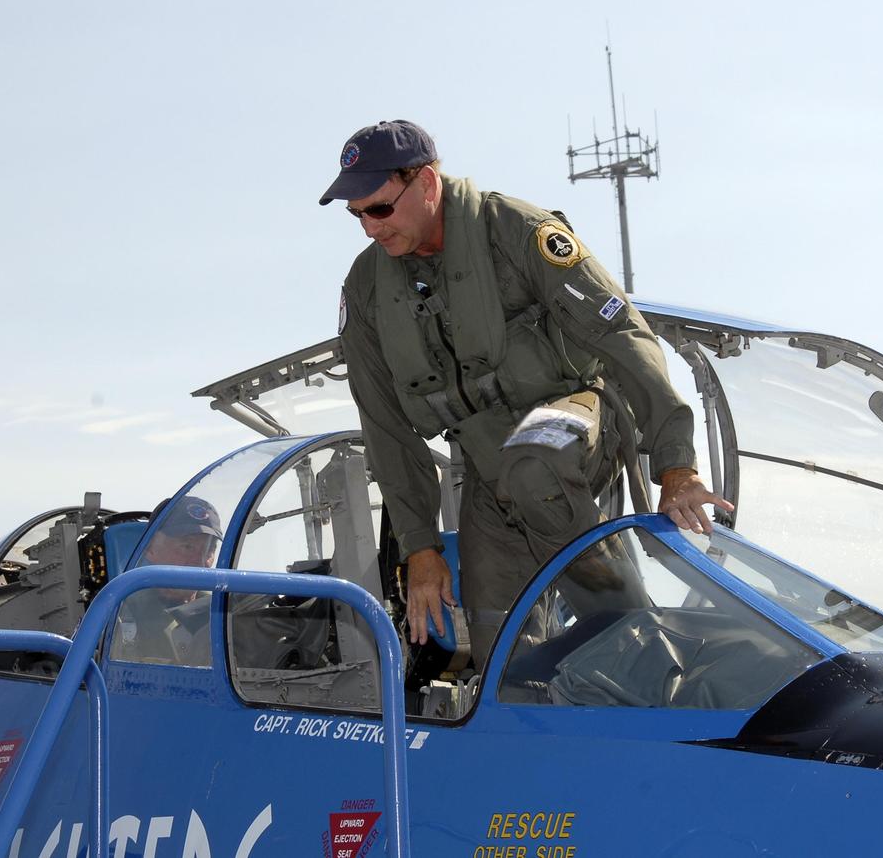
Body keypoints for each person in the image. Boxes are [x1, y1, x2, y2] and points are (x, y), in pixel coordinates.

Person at [320, 120, 734, 663]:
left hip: (578, 419)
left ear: (425, 183)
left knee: (533, 456)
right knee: (498, 646)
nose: (369, 229)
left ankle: (650, 650)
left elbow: (622, 335)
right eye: (357, 216)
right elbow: (384, 425)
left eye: (378, 209)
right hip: (489, 466)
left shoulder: (515, 231)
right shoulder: (368, 288)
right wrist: (420, 549)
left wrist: (677, 466)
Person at [112, 495, 222, 666]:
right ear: (150, 549)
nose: (199, 562)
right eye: (187, 546)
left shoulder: (224, 616)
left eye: (209, 550)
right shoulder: (115, 617)